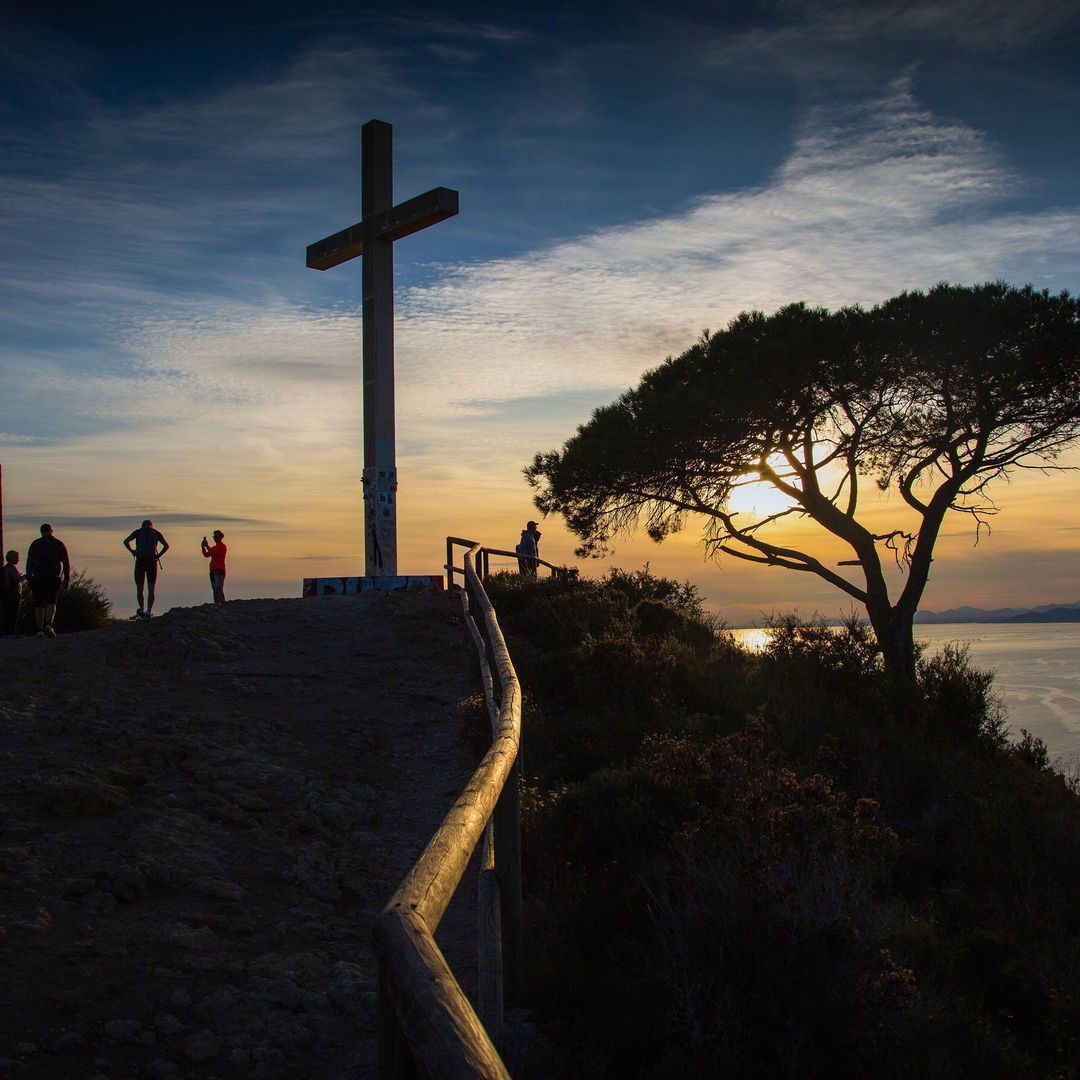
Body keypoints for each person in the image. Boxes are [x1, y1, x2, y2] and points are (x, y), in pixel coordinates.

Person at [25, 523, 70, 638]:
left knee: (39, 602)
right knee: (52, 601)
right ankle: (49, 624)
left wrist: (29, 578)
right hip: (53, 576)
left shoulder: (35, 544)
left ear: (41, 532)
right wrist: (67, 579)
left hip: (38, 577)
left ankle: (39, 629)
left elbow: (29, 562)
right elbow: (66, 562)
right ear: (51, 531)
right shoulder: (59, 544)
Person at [123, 519, 170, 619]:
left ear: (142, 525)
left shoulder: (138, 532)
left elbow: (125, 541)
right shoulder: (156, 533)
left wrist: (132, 551)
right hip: (152, 562)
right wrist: (158, 556)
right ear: (151, 525)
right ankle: (149, 611)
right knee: (151, 588)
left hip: (140, 562)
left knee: (140, 589)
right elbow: (166, 546)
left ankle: (141, 609)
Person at [201, 530, 227, 605]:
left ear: (220, 537)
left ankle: (222, 604)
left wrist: (207, 546)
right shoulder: (214, 547)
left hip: (219, 570)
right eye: (214, 536)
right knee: (215, 589)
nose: (214, 538)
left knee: (219, 589)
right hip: (212, 570)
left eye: (216, 536)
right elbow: (206, 554)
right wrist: (203, 547)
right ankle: (216, 604)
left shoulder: (222, 546)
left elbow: (216, 553)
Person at [2, 550, 23, 637]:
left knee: (7, 613)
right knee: (14, 613)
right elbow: (18, 579)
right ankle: (11, 632)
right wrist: (28, 576)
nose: (18, 559)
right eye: (17, 557)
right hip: (13, 594)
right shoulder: (12, 568)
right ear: (13, 558)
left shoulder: (5, 568)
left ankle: (7, 632)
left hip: (6, 594)